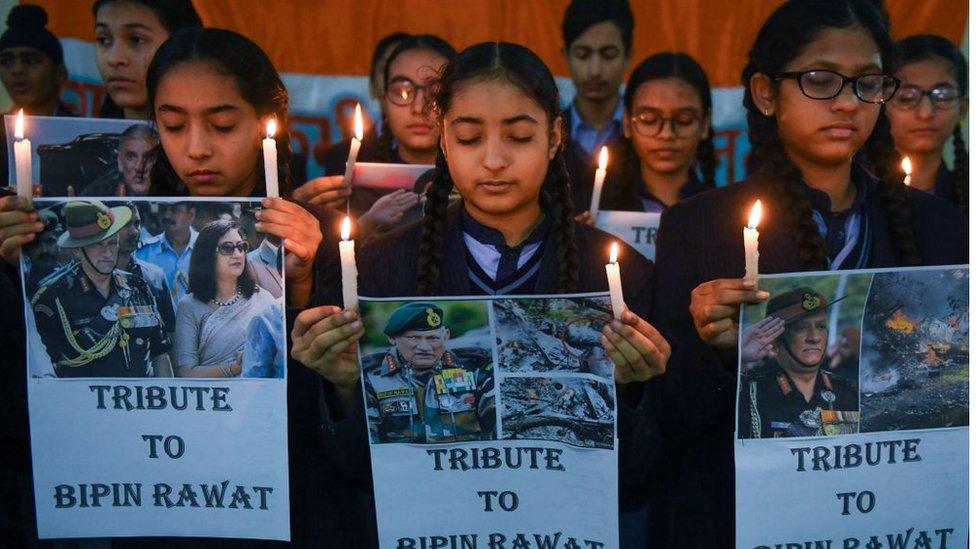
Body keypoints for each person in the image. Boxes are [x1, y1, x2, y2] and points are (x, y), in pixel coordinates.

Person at [291, 41, 669, 546]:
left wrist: (627, 390)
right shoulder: (378, 269)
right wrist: (342, 388)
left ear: (555, 136)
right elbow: (355, 470)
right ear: (443, 140)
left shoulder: (621, 274)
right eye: (469, 137)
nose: (494, 160)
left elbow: (642, 477)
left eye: (518, 136)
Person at [641, 1, 967, 546]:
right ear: (766, 93)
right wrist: (719, 352)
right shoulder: (697, 227)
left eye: (867, 83)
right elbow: (668, 421)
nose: (846, 103)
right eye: (820, 80)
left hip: (890, 518)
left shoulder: (938, 227)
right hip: (744, 520)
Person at [303, 35, 457, 238]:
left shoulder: (477, 173)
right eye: (402, 91)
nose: (419, 108)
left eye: (435, 92)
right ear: (383, 99)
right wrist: (305, 215)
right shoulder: (347, 170)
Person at [29, 200, 173, 378]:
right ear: (77, 250)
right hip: (85, 402)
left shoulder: (138, 286)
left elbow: (160, 353)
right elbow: (44, 366)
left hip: (141, 400)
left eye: (112, 243)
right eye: (97, 244)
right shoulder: (53, 297)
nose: (107, 252)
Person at [600, 52, 716, 214]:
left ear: (705, 124)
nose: (666, 134)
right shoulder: (596, 209)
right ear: (627, 122)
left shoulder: (723, 212)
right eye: (649, 119)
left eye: (684, 120)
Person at [363, 302, 494, 444]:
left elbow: (500, 423)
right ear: (392, 338)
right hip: (401, 464)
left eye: (433, 338)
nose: (425, 347)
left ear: (446, 335)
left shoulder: (474, 369)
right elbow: (369, 442)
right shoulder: (371, 378)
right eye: (413, 338)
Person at [738, 288, 857, 439]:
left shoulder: (848, 391)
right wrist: (741, 359)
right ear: (775, 340)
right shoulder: (750, 391)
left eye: (821, 326)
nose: (814, 338)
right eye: (801, 328)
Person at [174, 219, 276, 378]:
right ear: (207, 254)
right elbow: (186, 373)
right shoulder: (189, 306)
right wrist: (233, 369)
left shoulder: (263, 299)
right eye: (227, 248)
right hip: (212, 398)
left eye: (242, 247)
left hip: (258, 396)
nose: (237, 254)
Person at [560, 0, 634, 213]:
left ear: (628, 55)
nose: (595, 70)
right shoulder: (546, 136)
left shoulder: (647, 138)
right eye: (583, 55)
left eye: (608, 55)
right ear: (565, 55)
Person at [888, 34, 968, 212]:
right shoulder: (853, 189)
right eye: (907, 97)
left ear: (963, 108)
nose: (925, 113)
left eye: (942, 96)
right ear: (881, 104)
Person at [0, 4, 76, 185]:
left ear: (59, 73)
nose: (17, 70)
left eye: (31, 60)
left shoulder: (79, 134)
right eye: (6, 61)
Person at [93, 0, 202, 119]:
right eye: (103, 40)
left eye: (136, 39)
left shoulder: (216, 136)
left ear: (182, 46)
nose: (113, 59)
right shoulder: (80, 135)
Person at [116, 201, 175, 333]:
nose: (134, 231)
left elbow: (171, 333)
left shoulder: (155, 277)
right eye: (125, 224)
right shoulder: (95, 277)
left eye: (136, 223)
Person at [135, 201, 196, 309]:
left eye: (175, 210)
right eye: (163, 209)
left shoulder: (208, 247)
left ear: (191, 214)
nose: (167, 215)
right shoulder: (144, 253)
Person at [82, 123, 158, 196]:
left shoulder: (169, 192)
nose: (139, 168)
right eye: (130, 156)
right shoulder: (96, 193)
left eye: (149, 158)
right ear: (120, 162)